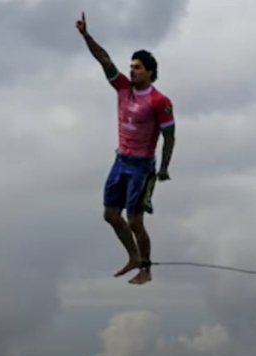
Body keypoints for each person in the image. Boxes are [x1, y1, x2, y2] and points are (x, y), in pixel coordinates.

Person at [76, 12, 176, 285]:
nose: (132, 70)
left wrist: (164, 168)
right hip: (120, 160)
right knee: (110, 215)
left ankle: (146, 268)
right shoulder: (122, 87)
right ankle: (132, 256)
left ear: (150, 72)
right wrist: (86, 36)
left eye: (138, 67)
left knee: (135, 220)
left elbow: (169, 136)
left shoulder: (159, 101)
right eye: (131, 66)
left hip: (142, 167)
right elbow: (104, 59)